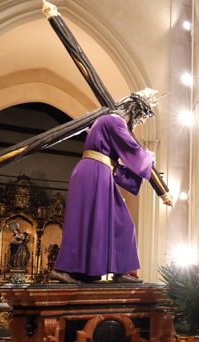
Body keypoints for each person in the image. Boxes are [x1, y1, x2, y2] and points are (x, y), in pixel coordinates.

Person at [50, 89, 172, 284]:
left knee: (101, 221)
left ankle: (96, 271)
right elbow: (133, 151)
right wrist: (149, 158)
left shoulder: (106, 121)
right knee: (98, 221)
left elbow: (115, 163)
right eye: (139, 117)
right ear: (132, 109)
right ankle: (65, 269)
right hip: (94, 172)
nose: (138, 122)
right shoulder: (115, 121)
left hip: (97, 171)